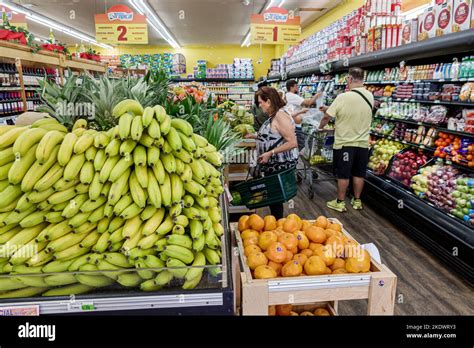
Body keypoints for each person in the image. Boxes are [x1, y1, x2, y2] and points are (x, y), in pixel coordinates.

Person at [318, 67, 373, 212]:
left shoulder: (343, 97)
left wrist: (320, 127)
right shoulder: (370, 96)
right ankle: (357, 201)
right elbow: (354, 111)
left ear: (349, 79)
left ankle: (340, 202)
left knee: (343, 174)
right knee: (359, 173)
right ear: (363, 79)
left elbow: (326, 117)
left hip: (345, 144)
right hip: (363, 144)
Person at [246, 87, 298, 219]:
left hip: (278, 164)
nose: (259, 105)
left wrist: (271, 152)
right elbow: (273, 135)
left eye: (260, 102)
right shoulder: (274, 115)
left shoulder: (280, 116)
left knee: (276, 199)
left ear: (268, 101)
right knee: (274, 198)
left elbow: (292, 142)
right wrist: (255, 135)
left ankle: (278, 225)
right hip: (272, 164)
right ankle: (276, 224)